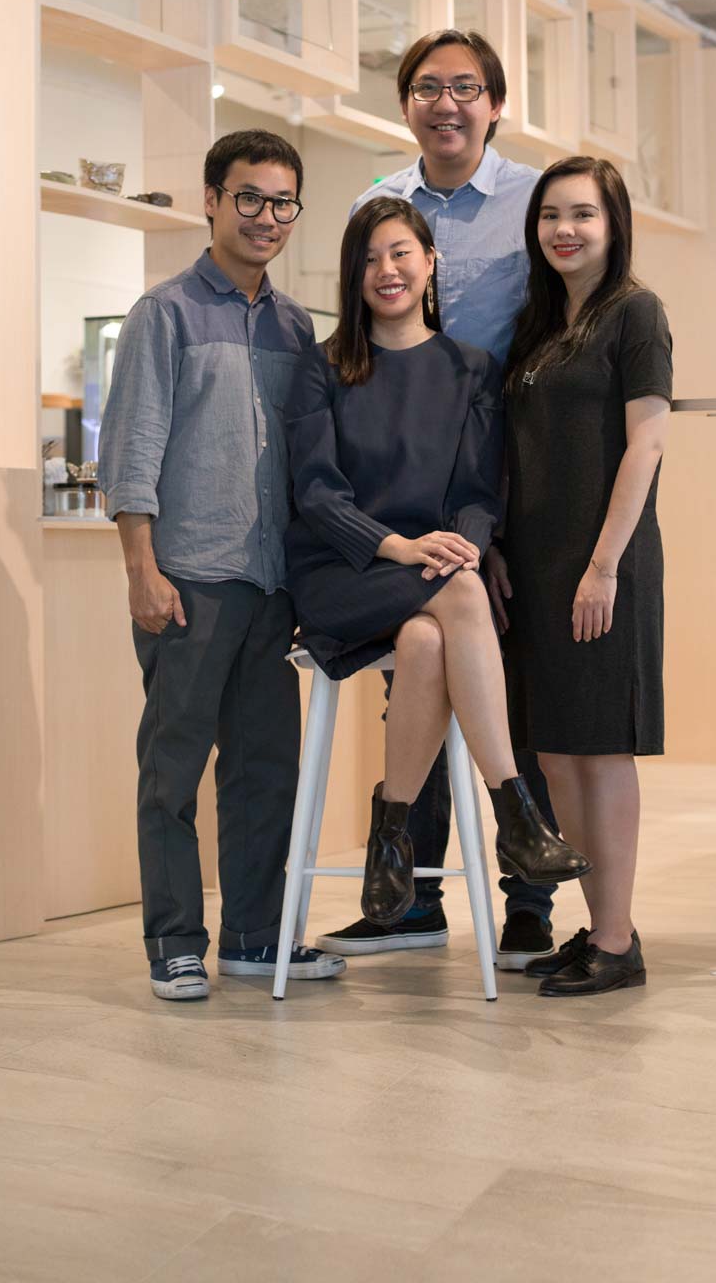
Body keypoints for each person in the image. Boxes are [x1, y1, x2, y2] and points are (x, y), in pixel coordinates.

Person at [314, 28, 561, 970]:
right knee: (424, 659)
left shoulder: (534, 199)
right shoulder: (376, 203)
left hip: (509, 472)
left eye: (465, 87)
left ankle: (526, 905)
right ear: (405, 103)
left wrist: (471, 529)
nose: (446, 103)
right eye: (427, 87)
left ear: (495, 103)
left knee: (509, 677)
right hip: (399, 501)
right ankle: (424, 890)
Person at [284, 196, 589, 925]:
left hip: (431, 576)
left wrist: (463, 545)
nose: (385, 270)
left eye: (399, 253)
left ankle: (390, 834)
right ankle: (514, 814)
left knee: (427, 639)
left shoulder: (472, 369)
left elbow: (479, 494)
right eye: (368, 258)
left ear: (430, 262)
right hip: (342, 572)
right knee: (463, 594)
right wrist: (401, 547)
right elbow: (317, 494)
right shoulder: (322, 367)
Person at [98, 129, 346, 1001]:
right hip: (190, 581)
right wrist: (141, 567)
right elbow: (132, 449)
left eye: (283, 202)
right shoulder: (163, 313)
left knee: (264, 772)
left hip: (272, 585)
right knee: (173, 771)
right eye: (249, 197)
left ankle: (253, 937)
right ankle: (174, 942)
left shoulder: (295, 325)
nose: (266, 217)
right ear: (211, 200)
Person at [486, 155, 672, 997]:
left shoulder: (636, 313)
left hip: (602, 564)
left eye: (583, 214)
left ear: (613, 223)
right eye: (550, 215)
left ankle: (618, 938)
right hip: (534, 566)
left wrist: (603, 567)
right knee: (556, 751)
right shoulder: (537, 323)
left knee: (601, 750)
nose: (564, 230)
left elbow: (647, 443)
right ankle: (599, 930)